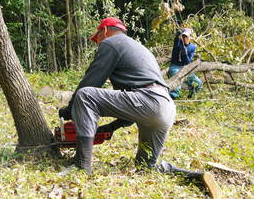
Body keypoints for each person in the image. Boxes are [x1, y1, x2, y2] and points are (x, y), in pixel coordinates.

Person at [58, 17, 176, 173]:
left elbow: (91, 82)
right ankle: (196, 176)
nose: (97, 43)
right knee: (146, 168)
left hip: (149, 100)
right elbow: (133, 104)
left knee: (85, 95)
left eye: (97, 38)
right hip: (166, 108)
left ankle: (81, 165)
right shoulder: (139, 48)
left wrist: (70, 109)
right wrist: (110, 127)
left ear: (105, 31)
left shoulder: (111, 43)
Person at [168, 28, 202, 99]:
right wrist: (177, 35)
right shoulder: (178, 43)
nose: (185, 38)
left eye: (186, 36)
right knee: (177, 86)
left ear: (190, 37)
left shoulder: (192, 47)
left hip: (185, 68)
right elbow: (176, 41)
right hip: (175, 67)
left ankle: (191, 99)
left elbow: (188, 63)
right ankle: (171, 100)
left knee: (198, 83)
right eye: (183, 36)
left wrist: (185, 54)